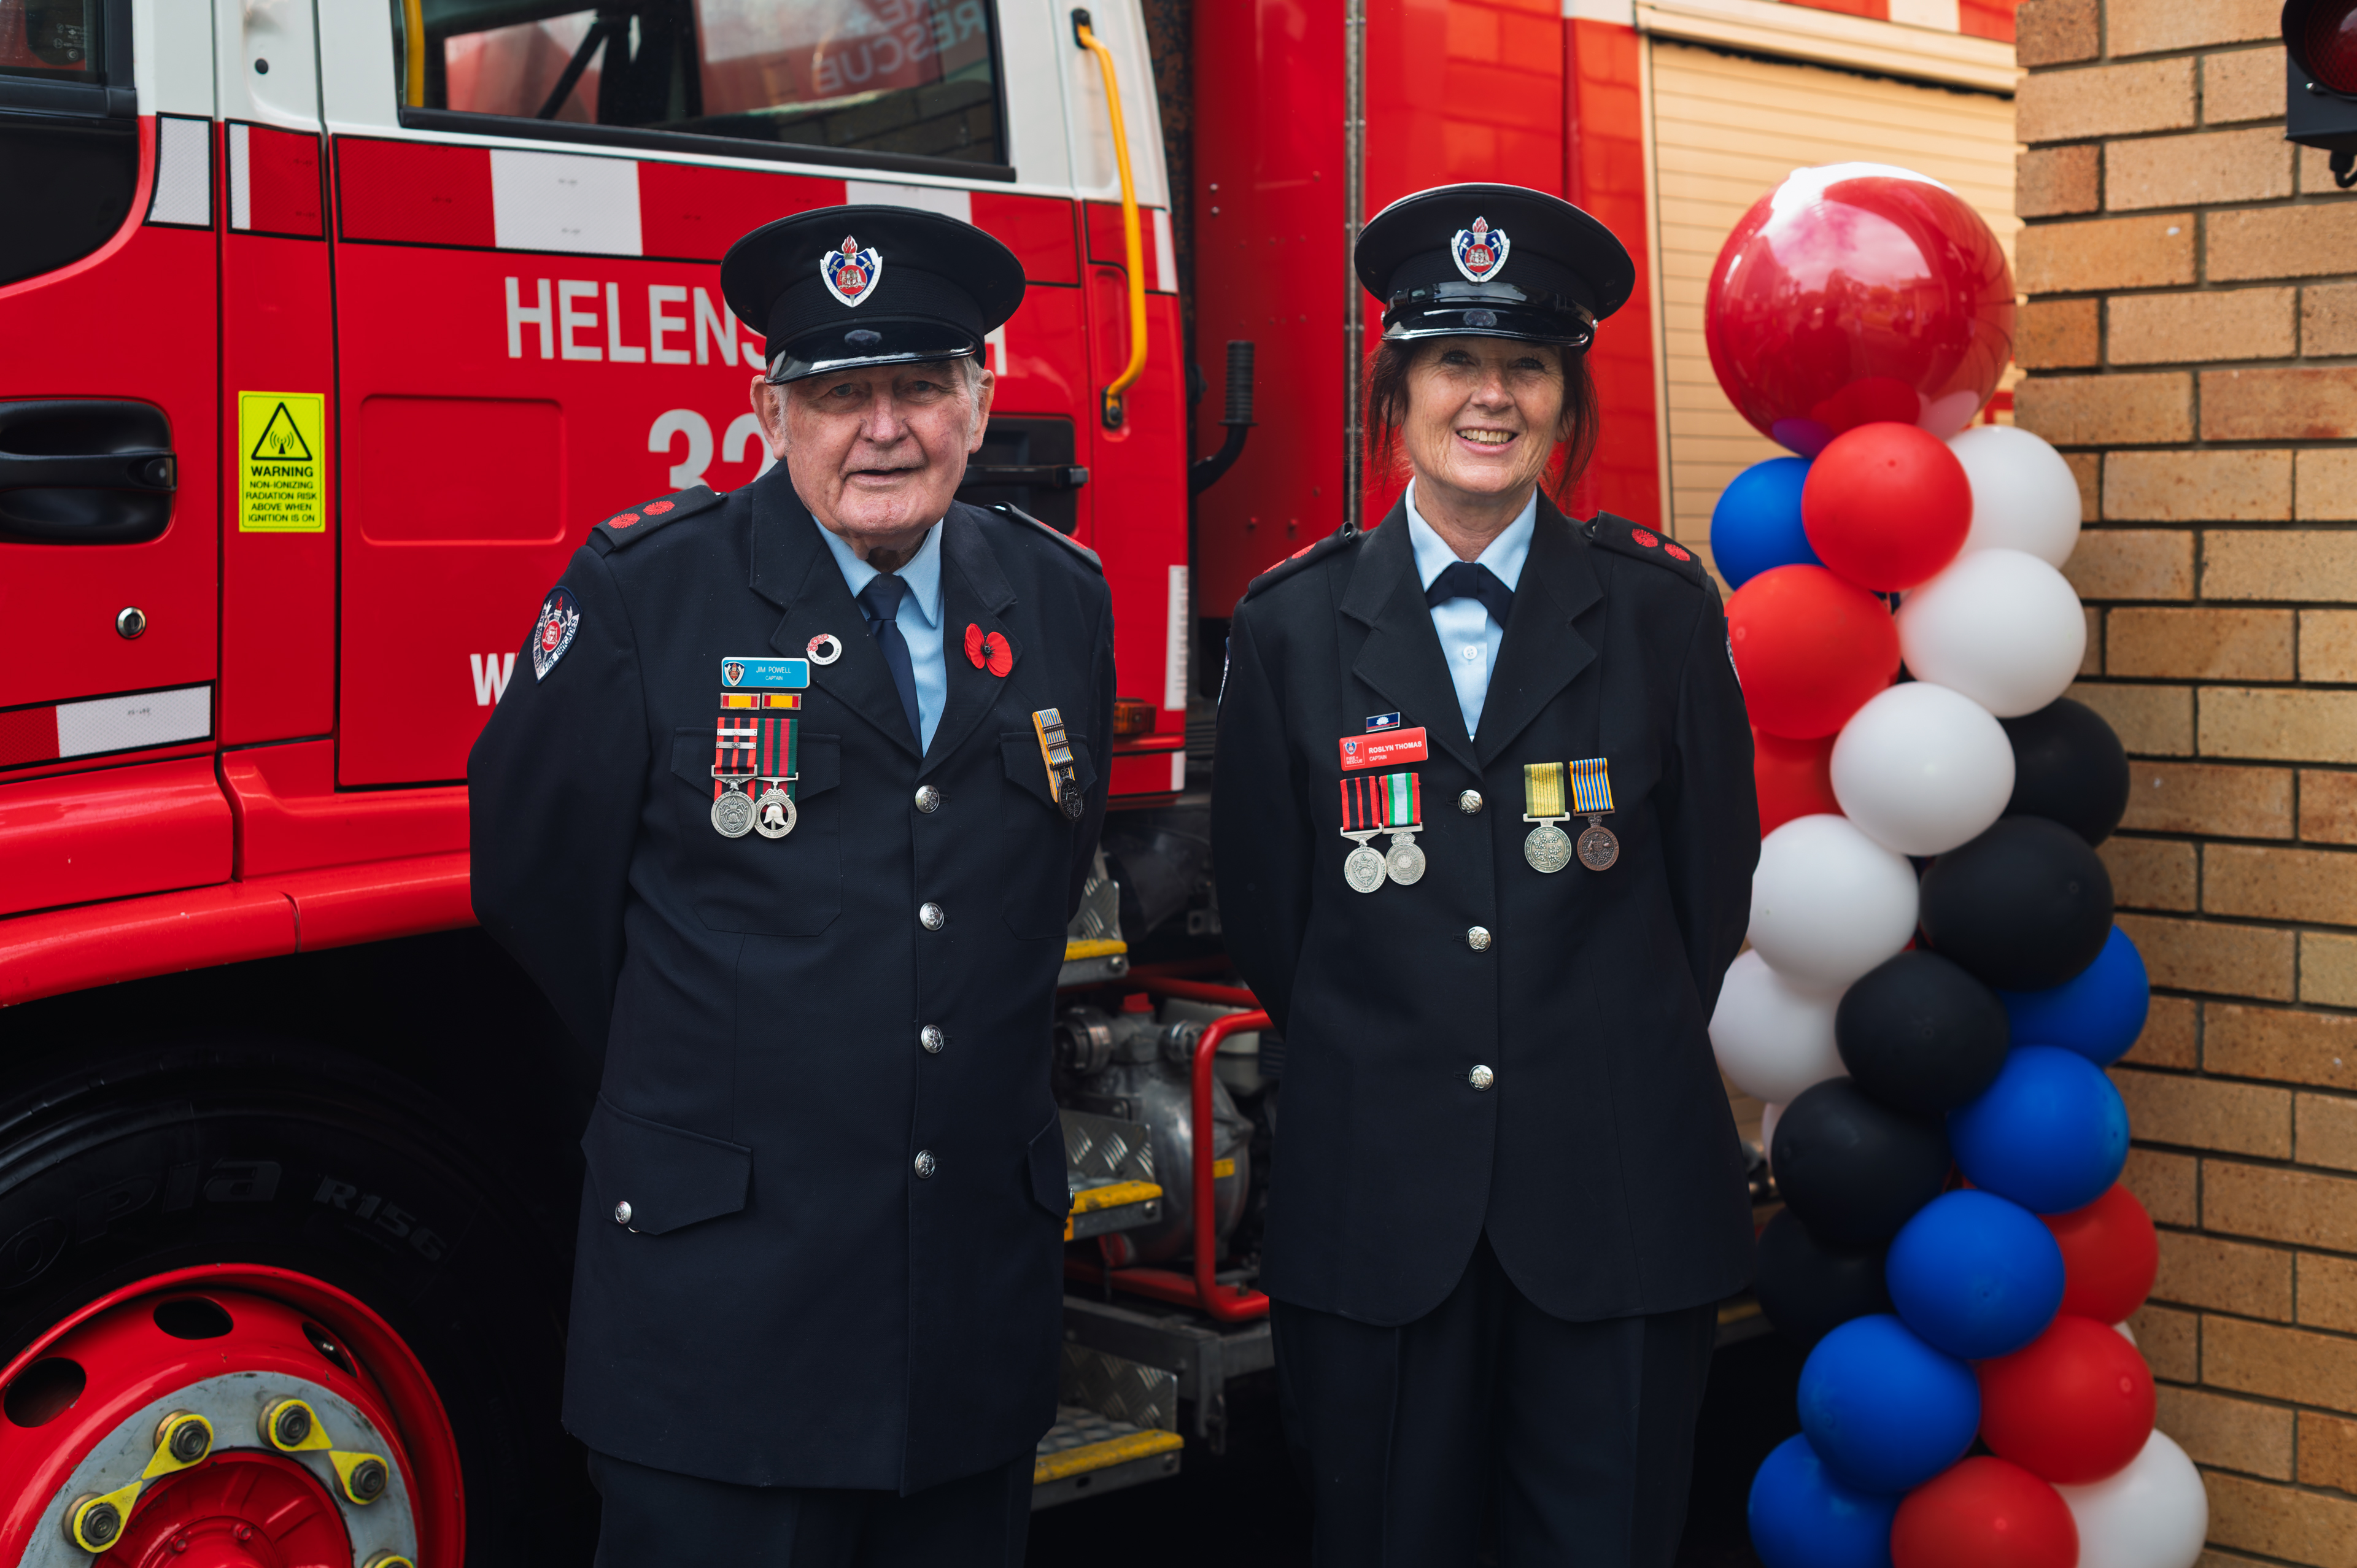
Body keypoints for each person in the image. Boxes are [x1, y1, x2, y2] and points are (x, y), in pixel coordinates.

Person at [469, 205, 1115, 1566]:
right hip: (723, 1323)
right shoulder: (649, 592)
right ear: (770, 409)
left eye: (922, 387)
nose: (883, 430)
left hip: (964, 1319)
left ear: (981, 399)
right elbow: (538, 883)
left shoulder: (1060, 597)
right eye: (838, 394)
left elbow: (1032, 886)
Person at [1211, 183, 1759, 1566]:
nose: (1490, 398)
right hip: (1382, 1217)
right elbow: (1275, 924)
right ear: (1399, 391)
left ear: (1566, 405)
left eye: (1526, 366)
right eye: (1456, 361)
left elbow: (1709, 902)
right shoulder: (1290, 629)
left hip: (1618, 1206)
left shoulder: (1660, 614)